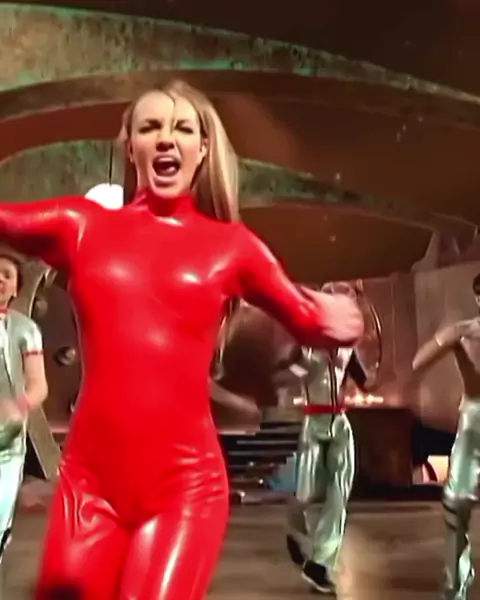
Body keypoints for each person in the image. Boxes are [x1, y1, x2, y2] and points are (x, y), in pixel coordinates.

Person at [0, 80, 364, 600]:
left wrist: (334, 318)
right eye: (150, 128)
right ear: (130, 147)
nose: (166, 138)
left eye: (182, 129)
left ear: (203, 149)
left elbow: (304, 314)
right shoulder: (82, 226)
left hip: (183, 490)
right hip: (89, 486)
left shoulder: (232, 247)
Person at [274, 281, 376, 595]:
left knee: (338, 495)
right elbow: (284, 370)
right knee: (307, 493)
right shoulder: (306, 347)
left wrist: (368, 368)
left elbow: (366, 381)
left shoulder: (347, 348)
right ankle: (297, 533)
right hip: (314, 424)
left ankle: (320, 564)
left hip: (339, 423)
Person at [411, 273, 480, 600]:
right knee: (456, 501)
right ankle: (455, 586)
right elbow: (418, 362)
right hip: (473, 419)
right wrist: (449, 339)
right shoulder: (464, 331)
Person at [0, 252, 47, 563]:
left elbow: (38, 385)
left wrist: (19, 406)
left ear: (17, 287)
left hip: (7, 440)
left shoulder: (25, 329)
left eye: (7, 275)